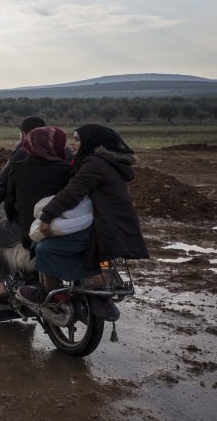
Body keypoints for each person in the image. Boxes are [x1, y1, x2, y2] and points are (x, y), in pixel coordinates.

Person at [17, 125, 149, 315]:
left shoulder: (96, 164)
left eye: (78, 139)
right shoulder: (105, 163)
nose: (73, 143)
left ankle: (49, 293)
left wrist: (47, 216)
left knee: (44, 247)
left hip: (102, 229)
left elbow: (73, 192)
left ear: (93, 142)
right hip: (108, 226)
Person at [0, 126, 73, 307]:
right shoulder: (69, 168)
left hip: (27, 228)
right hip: (65, 226)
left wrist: (12, 218)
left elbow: (9, 202)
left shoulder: (19, 167)